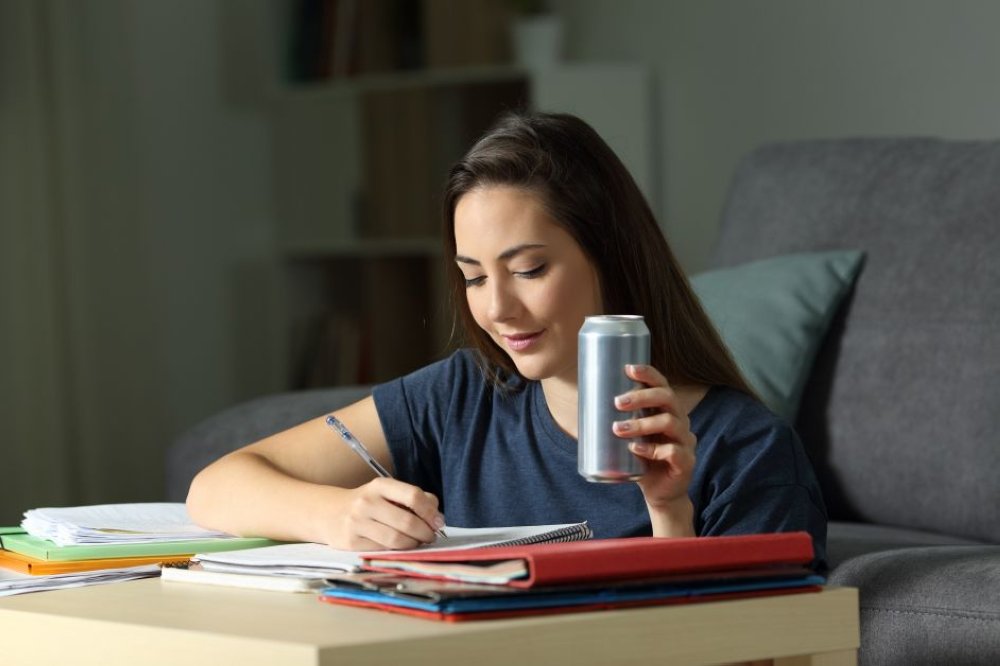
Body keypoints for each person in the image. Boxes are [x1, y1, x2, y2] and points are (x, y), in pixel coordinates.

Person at [187, 111, 827, 567]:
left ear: (612, 257)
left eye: (529, 270)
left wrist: (669, 514)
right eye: (472, 277)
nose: (498, 309)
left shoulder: (749, 454)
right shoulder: (464, 396)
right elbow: (217, 486)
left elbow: (749, 651)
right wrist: (335, 515)